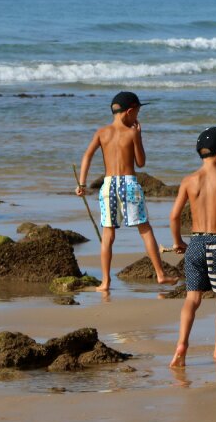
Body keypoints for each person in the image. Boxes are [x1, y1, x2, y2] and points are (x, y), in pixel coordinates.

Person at [75, 91, 177, 292]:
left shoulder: (101, 132)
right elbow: (140, 163)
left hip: (109, 186)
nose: (138, 117)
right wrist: (138, 137)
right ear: (130, 111)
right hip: (129, 184)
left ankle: (105, 282)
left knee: (108, 235)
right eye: (137, 112)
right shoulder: (132, 133)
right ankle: (160, 274)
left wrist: (82, 183)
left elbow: (87, 156)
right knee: (145, 230)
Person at [168, 127, 216, 368]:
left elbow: (174, 216)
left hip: (195, 244)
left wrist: (178, 242)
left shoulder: (189, 181)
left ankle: (182, 344)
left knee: (192, 298)